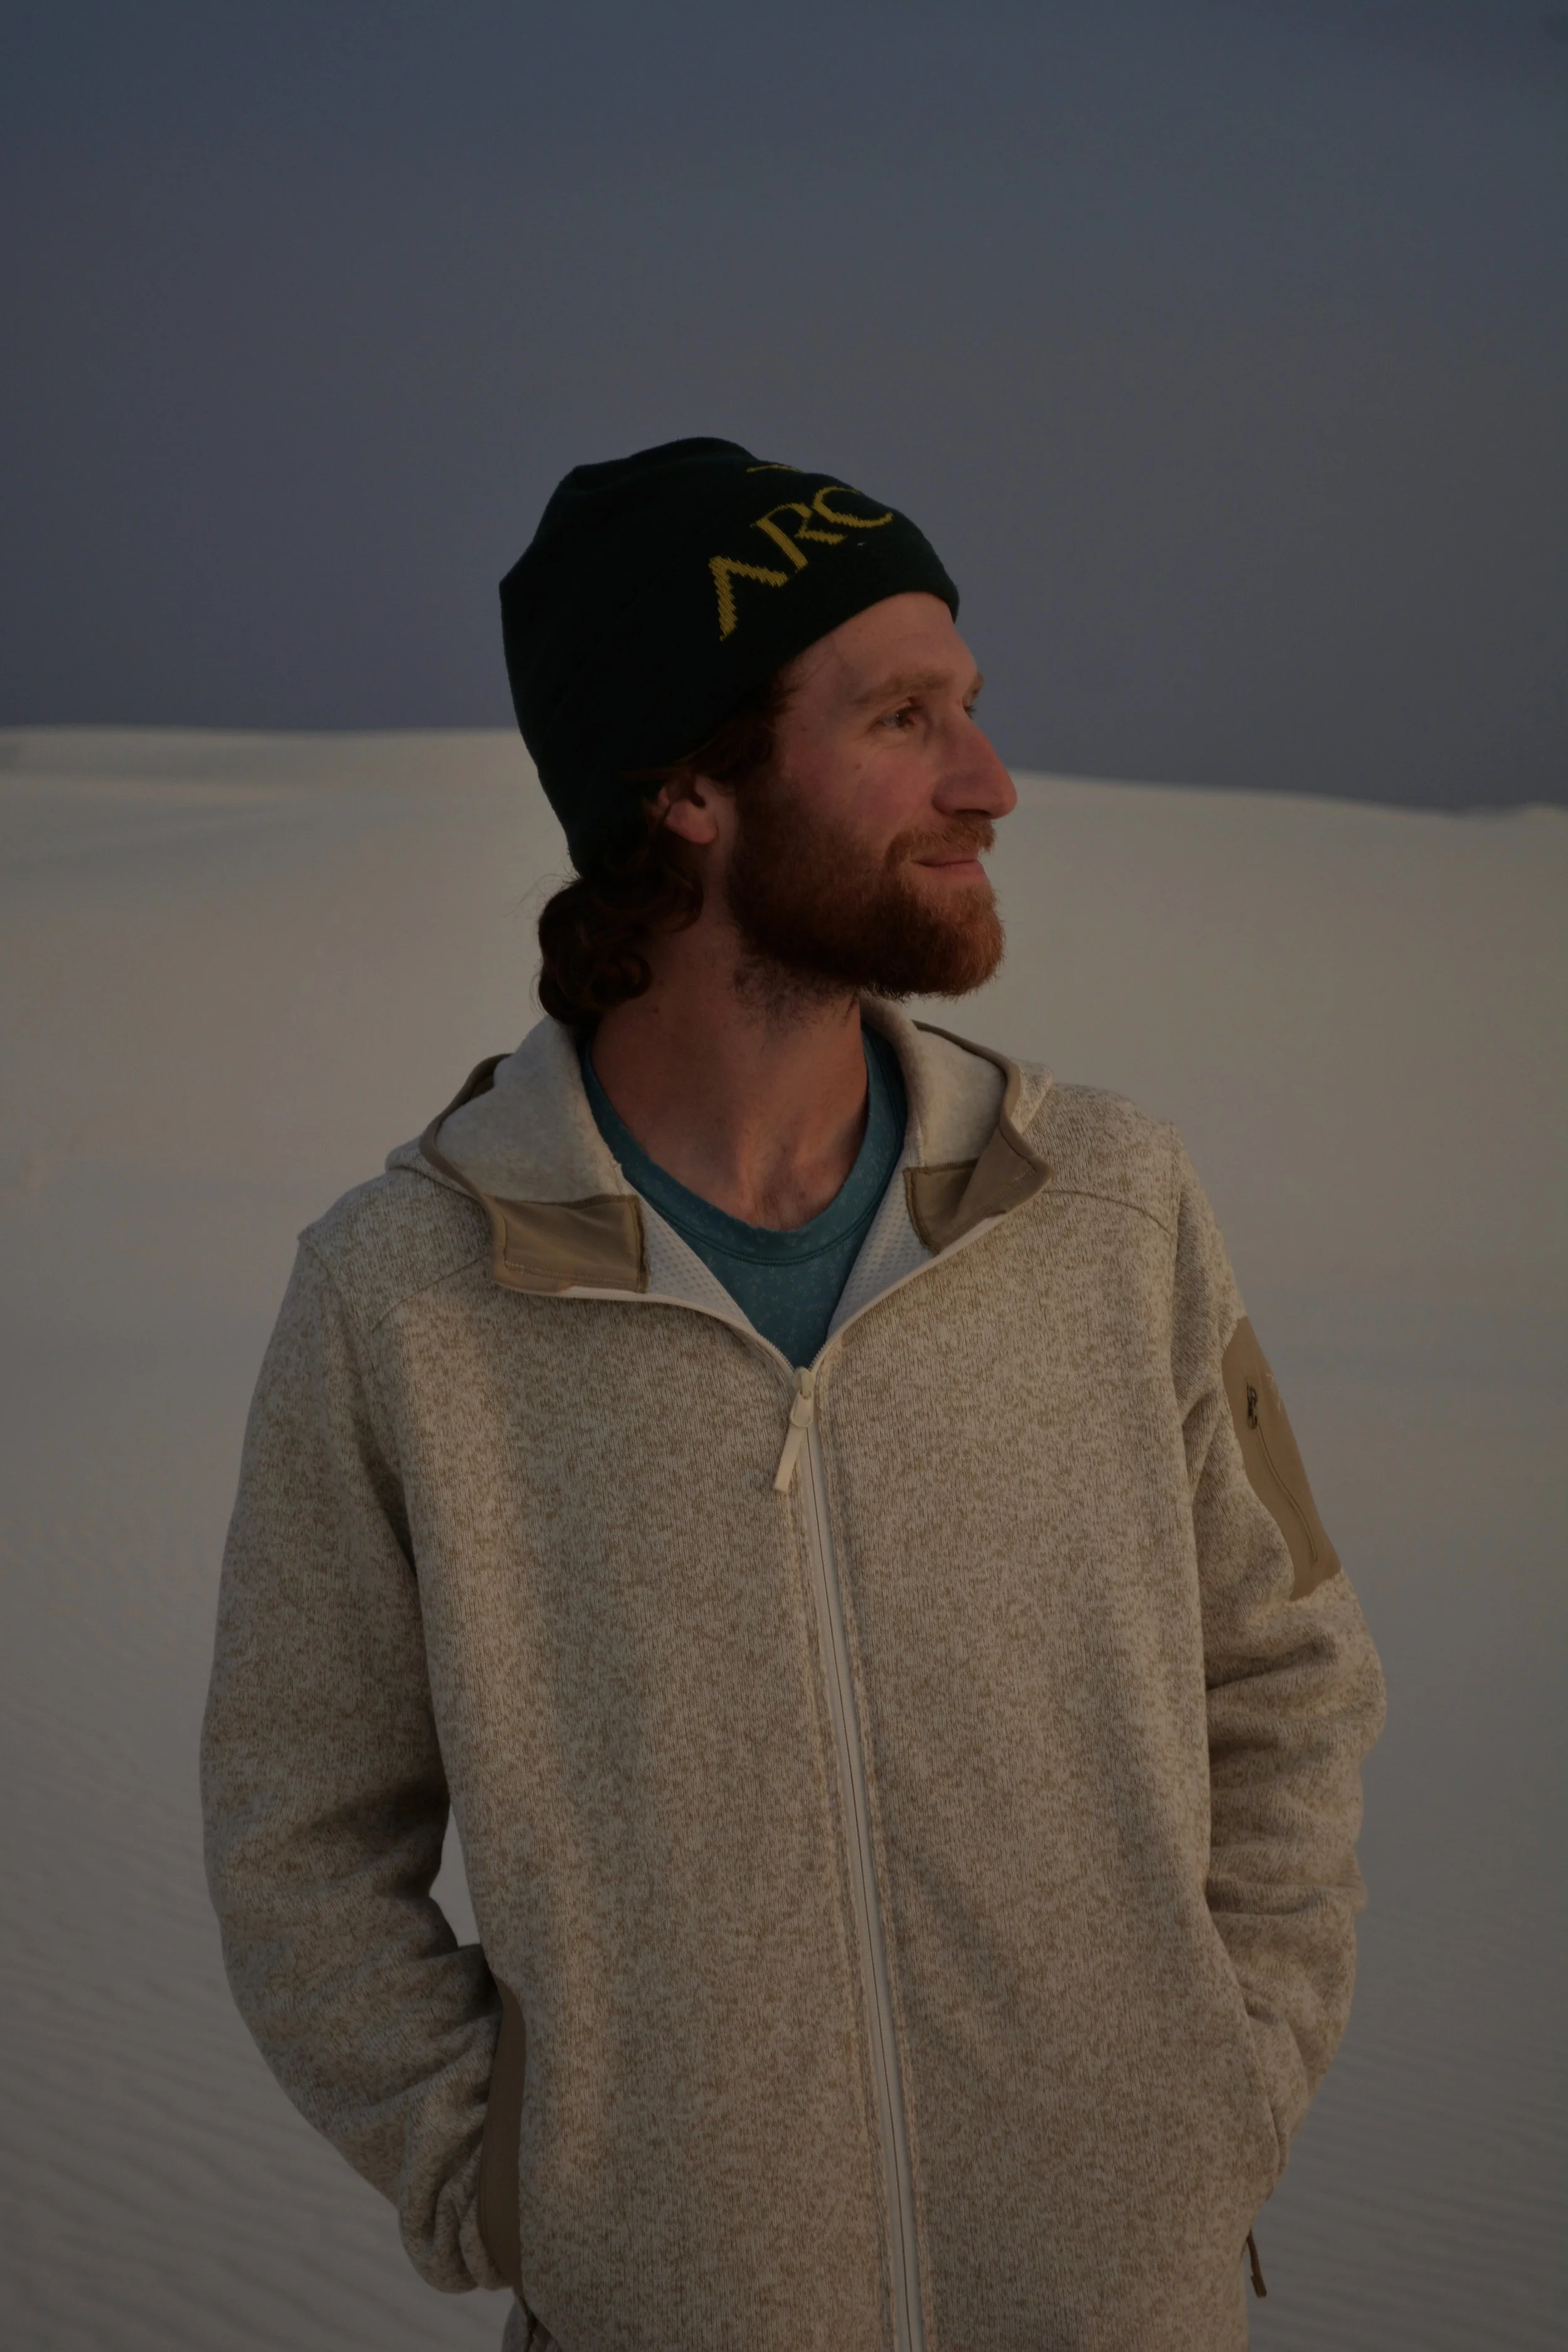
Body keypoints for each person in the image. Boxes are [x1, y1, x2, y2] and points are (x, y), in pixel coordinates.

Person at [201, 437, 1385, 2352]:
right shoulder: (409, 1293)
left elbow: (1288, 1672)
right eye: (901, 719)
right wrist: (505, 2176)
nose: (987, 784)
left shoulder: (1107, 1212)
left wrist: (1219, 2095)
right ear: (681, 784)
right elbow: (297, 1832)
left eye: (970, 710)